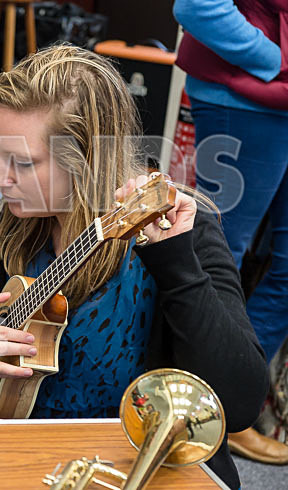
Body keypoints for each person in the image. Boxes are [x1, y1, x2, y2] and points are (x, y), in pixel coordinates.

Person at [0, 45, 268, 489]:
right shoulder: (14, 222)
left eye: (22, 163)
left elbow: (239, 404)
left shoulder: (183, 232)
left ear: (87, 160)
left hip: (138, 469)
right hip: (27, 458)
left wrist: (177, 264)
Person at [173, 0, 288, 463]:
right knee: (219, 254)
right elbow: (198, 5)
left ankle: (228, 402)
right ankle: (199, 410)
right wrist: (274, 59)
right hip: (242, 98)